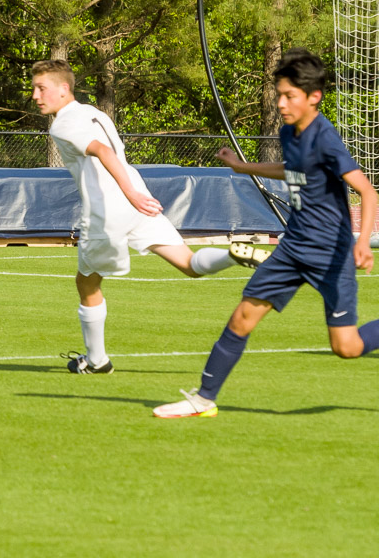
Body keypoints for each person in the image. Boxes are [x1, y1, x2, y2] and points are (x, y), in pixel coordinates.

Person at [154, 48, 379, 417]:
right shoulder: (289, 132)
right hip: (292, 249)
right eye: (280, 94)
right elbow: (292, 169)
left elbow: (367, 191)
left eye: (290, 96)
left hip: (331, 255)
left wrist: (362, 242)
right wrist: (244, 168)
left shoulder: (325, 138)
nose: (282, 102)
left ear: (314, 97)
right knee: (242, 316)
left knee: (347, 347)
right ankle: (203, 399)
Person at [31, 59, 265, 374]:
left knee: (86, 283)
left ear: (63, 88)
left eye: (41, 88)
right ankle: (234, 255)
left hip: (109, 210)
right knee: (190, 265)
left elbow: (103, 151)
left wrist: (128, 193)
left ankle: (97, 361)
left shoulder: (63, 123)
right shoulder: (95, 113)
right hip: (138, 201)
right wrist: (134, 194)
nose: (35, 95)